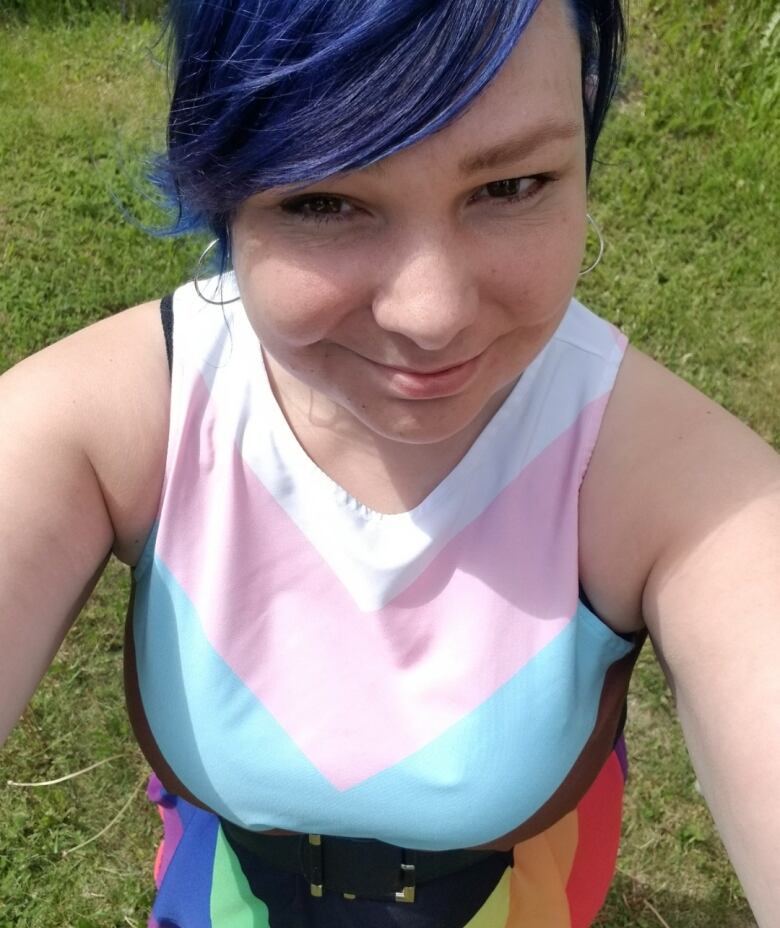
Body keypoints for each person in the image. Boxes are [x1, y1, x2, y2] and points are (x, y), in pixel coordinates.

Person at [1, 0, 778, 925]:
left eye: (512, 185)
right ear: (219, 187)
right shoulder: (110, 418)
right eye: (323, 200)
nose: (432, 314)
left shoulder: (675, 478)